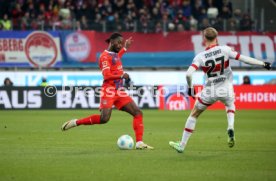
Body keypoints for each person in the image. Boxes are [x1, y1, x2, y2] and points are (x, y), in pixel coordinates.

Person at [169, 27, 271, 153]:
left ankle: (182, 145)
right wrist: (263, 64)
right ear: (216, 37)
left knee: (194, 114)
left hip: (210, 90)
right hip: (226, 88)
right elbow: (244, 59)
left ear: (204, 39)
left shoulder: (200, 57)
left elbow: (188, 74)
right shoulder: (225, 49)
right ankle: (230, 127)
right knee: (230, 104)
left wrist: (190, 88)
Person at [61, 33, 153, 150]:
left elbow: (116, 57)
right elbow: (106, 75)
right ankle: (76, 122)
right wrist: (121, 75)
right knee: (104, 119)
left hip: (119, 91)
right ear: (112, 42)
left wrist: (125, 48)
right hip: (108, 90)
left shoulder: (114, 55)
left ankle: (139, 143)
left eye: (121, 42)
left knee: (138, 113)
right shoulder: (104, 57)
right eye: (118, 42)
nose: (120, 44)